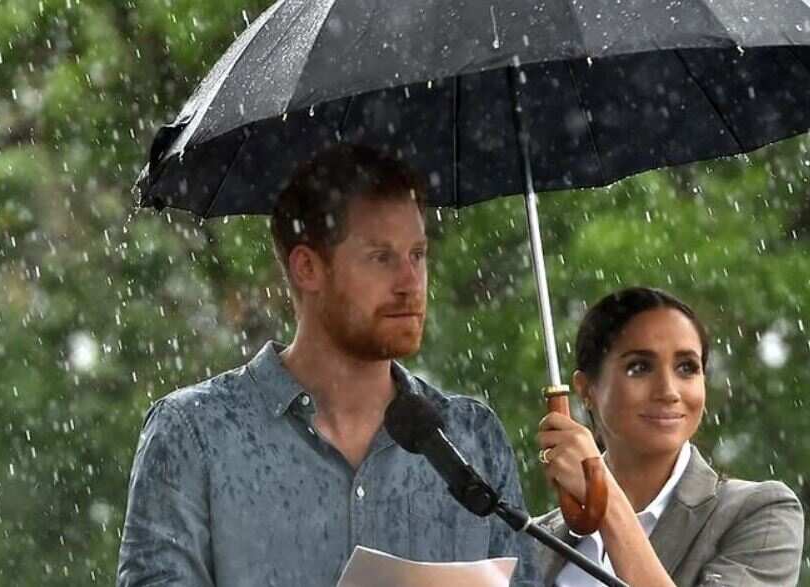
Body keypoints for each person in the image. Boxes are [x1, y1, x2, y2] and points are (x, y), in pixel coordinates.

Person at [117, 144, 539, 586]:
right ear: (307, 268)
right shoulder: (193, 432)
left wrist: (589, 524)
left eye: (417, 255)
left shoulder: (473, 437)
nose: (410, 284)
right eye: (381, 257)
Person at [535, 287, 804, 586]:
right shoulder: (531, 540)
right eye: (639, 367)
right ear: (586, 389)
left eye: (686, 368)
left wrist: (605, 498)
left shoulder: (760, 514)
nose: (668, 391)